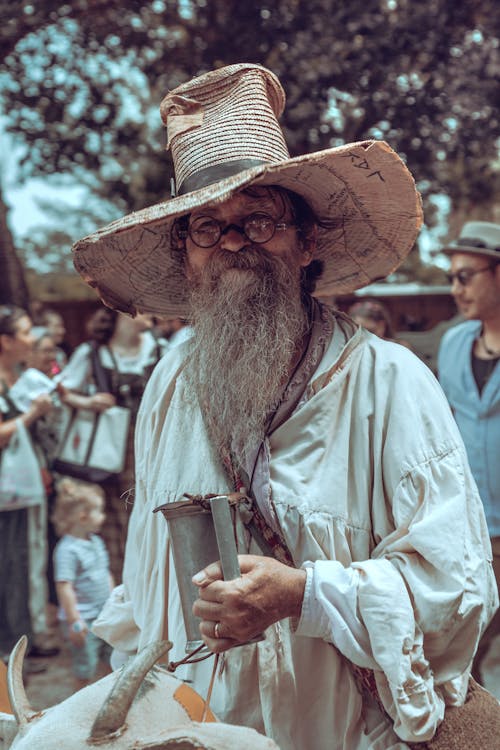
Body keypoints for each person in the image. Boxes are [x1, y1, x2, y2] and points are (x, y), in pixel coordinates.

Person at [73, 65, 496, 749]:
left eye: (259, 219)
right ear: (186, 258)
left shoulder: (389, 384)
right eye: (206, 228)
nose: (234, 242)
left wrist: (304, 596)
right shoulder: (171, 384)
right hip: (198, 728)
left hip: (343, 731)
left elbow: (459, 591)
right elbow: (149, 586)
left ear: (307, 243)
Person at [56, 307, 167, 581]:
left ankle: (149, 581)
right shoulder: (92, 353)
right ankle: (115, 585)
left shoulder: (159, 350)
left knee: (149, 512)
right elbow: (61, 390)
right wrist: (88, 402)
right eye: (142, 309)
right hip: (108, 448)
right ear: (122, 314)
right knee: (112, 515)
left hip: (151, 445)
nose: (150, 314)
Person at [437, 221, 500, 683]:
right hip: (475, 531)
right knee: (462, 652)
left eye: (466, 276)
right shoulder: (454, 343)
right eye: (452, 277)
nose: (456, 288)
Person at [0, 306, 57, 668]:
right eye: (23, 332)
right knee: (12, 565)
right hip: (7, 494)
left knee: (23, 563)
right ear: (4, 341)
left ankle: (24, 640)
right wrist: (32, 415)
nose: (31, 339)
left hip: (19, 490)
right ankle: (11, 652)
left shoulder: (14, 377)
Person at [52, 477, 113, 690]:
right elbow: (64, 586)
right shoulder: (67, 550)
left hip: (103, 614)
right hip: (83, 620)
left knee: (111, 660)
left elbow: (105, 573)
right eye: (99, 511)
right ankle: (79, 702)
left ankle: (107, 698)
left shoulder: (96, 542)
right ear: (83, 516)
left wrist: (113, 601)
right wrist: (74, 621)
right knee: (85, 666)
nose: (103, 516)